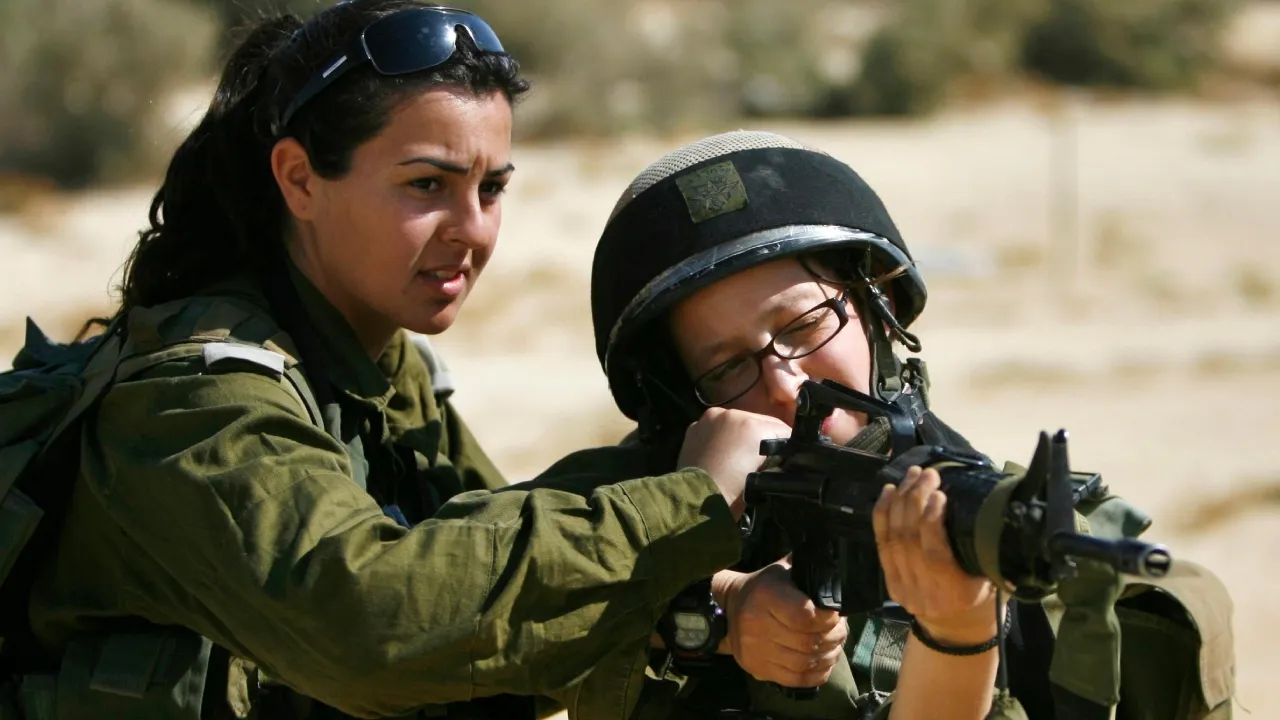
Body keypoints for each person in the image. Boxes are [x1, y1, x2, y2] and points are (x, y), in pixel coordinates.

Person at [0, 5, 827, 719]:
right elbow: (378, 624)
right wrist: (688, 505)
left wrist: (716, 599)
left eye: (492, 189)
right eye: (427, 186)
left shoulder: (386, 374)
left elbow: (489, 585)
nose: (472, 230)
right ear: (298, 179)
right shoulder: (192, 400)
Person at [577, 130, 1236, 719]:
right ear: (678, 400)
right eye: (726, 368)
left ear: (879, 307)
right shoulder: (618, 512)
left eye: (805, 327)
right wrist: (711, 598)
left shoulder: (1015, 558)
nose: (785, 382)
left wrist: (957, 625)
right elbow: (499, 590)